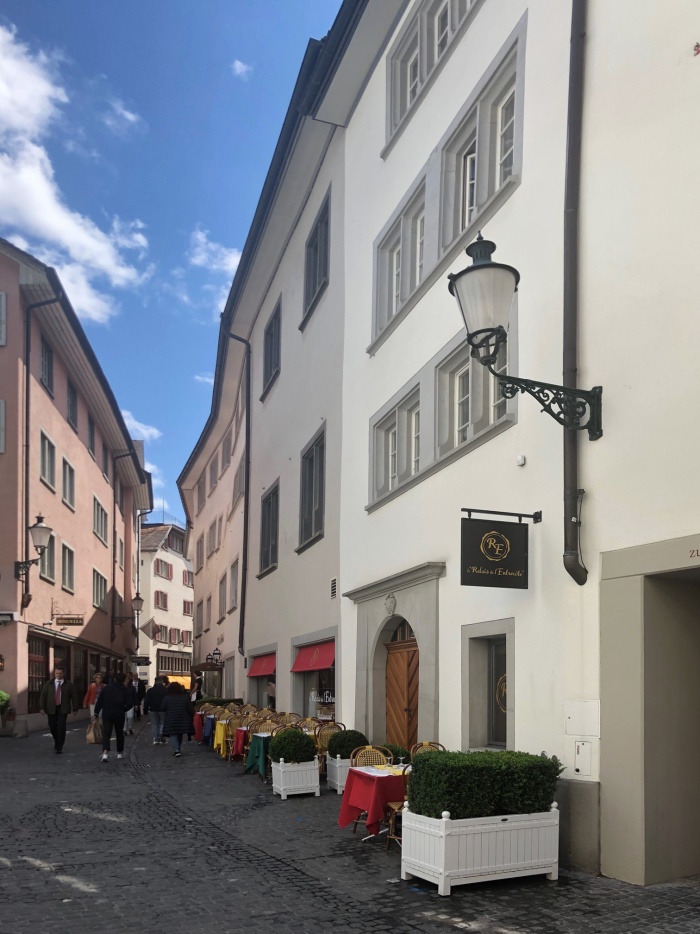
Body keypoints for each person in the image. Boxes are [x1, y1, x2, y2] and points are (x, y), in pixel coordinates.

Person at [39, 666, 79, 754]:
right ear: (54, 674)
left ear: (63, 674)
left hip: (63, 708)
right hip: (51, 708)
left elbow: (74, 696)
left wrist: (75, 708)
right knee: (52, 726)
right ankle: (57, 741)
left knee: (61, 727)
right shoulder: (49, 683)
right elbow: (43, 696)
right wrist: (42, 707)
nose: (58, 675)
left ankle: (59, 746)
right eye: (57, 673)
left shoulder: (68, 684)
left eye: (60, 673)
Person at [94, 672, 131, 762]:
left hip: (107, 713)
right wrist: (124, 709)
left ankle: (105, 753)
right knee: (119, 733)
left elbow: (100, 701)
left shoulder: (106, 688)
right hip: (119, 714)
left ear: (114, 679)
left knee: (106, 733)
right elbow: (130, 703)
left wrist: (96, 712)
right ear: (123, 680)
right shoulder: (125, 690)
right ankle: (119, 753)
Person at [161, 682, 194, 758]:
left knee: (173, 734)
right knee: (180, 733)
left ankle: (176, 750)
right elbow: (190, 709)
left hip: (171, 719)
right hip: (182, 719)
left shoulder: (167, 698)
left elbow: (162, 708)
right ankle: (178, 748)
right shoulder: (185, 697)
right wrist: (192, 715)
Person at [143, 675, 168, 745]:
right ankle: (161, 734)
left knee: (154, 723)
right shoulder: (166, 690)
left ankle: (156, 738)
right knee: (162, 722)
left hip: (153, 709)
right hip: (163, 709)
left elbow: (147, 700)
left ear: (155, 681)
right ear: (162, 681)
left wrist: (145, 709)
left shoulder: (150, 690)